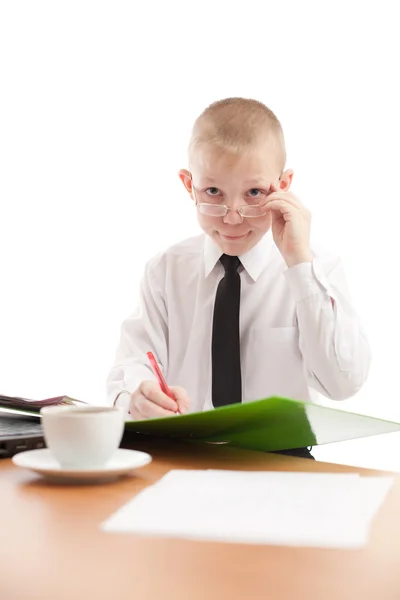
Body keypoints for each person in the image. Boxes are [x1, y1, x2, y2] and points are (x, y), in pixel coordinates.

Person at [106, 98, 371, 449]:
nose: (233, 217)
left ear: (284, 185)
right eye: (213, 191)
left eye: (254, 193)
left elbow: (343, 383)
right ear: (189, 185)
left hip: (281, 461)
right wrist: (135, 397)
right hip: (184, 452)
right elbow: (131, 364)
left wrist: (300, 265)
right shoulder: (166, 270)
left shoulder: (314, 268)